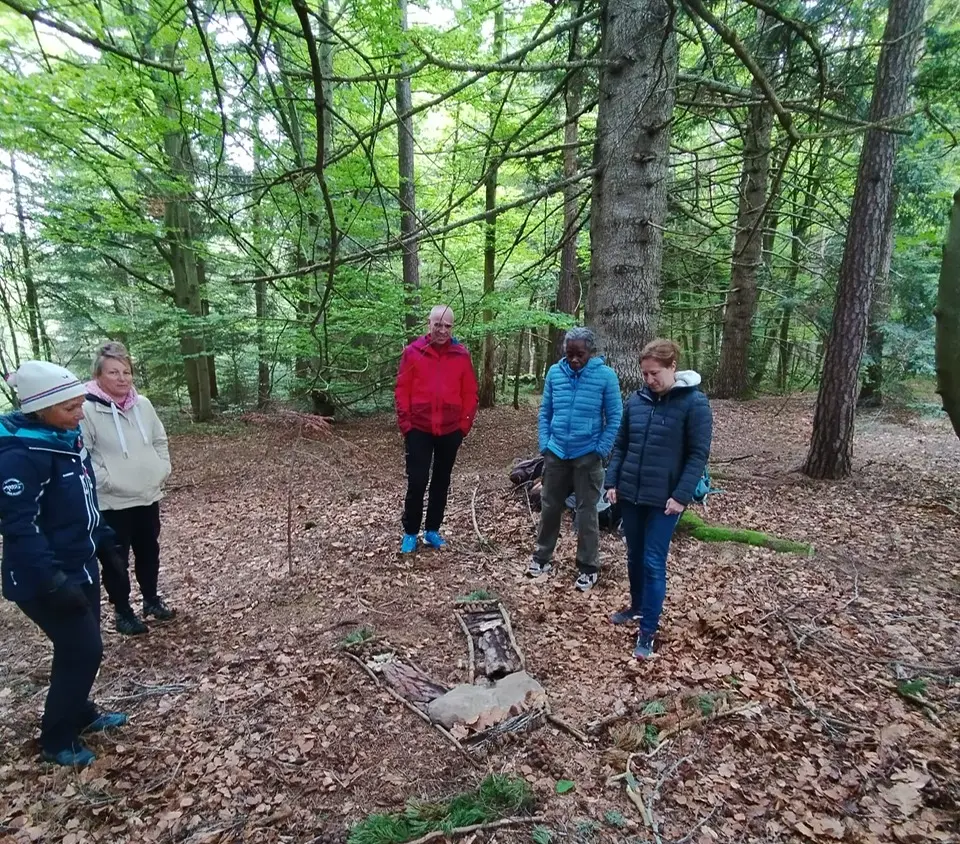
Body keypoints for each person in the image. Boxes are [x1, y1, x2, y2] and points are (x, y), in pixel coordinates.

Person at [0, 360, 129, 767]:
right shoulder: (20, 456)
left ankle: (78, 710)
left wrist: (106, 543)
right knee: (83, 650)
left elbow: (84, 503)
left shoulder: (66, 441)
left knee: (82, 648)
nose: (80, 414)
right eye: (70, 408)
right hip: (44, 576)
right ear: (41, 410)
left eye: (80, 405)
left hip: (81, 566)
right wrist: (53, 580)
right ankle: (57, 737)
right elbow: (19, 527)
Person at [605, 339, 712, 659]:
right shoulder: (635, 401)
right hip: (632, 494)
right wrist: (612, 480)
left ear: (672, 367)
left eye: (655, 373)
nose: (649, 380)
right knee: (634, 556)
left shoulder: (694, 404)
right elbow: (621, 445)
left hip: (666, 501)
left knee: (653, 561)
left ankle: (648, 630)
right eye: (645, 374)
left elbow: (698, 455)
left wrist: (681, 496)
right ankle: (637, 608)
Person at [80, 342, 174, 636]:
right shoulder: (86, 409)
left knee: (149, 551)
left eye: (126, 372)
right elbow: (84, 455)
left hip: (147, 496)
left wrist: (162, 468)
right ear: (98, 376)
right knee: (115, 560)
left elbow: (159, 439)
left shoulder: (142, 405)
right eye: (113, 372)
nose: (122, 378)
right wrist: (108, 481)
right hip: (111, 502)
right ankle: (123, 612)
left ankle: (151, 600)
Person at [528, 327, 622, 592]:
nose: (574, 359)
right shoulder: (555, 373)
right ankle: (541, 557)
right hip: (556, 453)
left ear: (590, 352)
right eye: (569, 353)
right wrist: (545, 445)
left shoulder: (605, 376)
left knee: (587, 513)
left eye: (579, 354)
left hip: (588, 456)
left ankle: (588, 567)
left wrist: (599, 449)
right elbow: (545, 412)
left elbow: (614, 417)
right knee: (549, 507)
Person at [395, 305, 478, 553]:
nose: (442, 330)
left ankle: (432, 530)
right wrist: (406, 425)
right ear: (428, 324)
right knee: (418, 481)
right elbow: (401, 390)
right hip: (418, 428)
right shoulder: (413, 352)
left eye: (447, 326)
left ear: (453, 328)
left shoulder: (461, 355)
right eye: (438, 325)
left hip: (450, 430)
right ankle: (410, 532)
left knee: (441, 481)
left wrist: (463, 425)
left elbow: (470, 393)